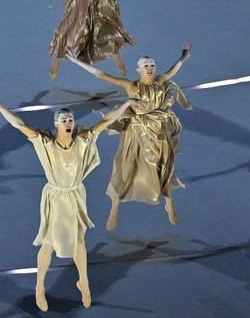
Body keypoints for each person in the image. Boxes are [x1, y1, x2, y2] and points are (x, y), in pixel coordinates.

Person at [0, 99, 134, 311]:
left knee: (79, 239)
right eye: (64, 120)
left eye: (70, 119)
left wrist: (127, 103)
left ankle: (84, 282)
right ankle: (39, 288)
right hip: (55, 197)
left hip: (75, 195)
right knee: (49, 242)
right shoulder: (45, 143)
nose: (68, 122)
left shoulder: (83, 140)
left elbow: (107, 120)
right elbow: (19, 124)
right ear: (56, 124)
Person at [67, 45, 193, 229]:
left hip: (158, 131)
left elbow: (173, 70)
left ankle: (170, 204)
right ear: (138, 70)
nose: (149, 68)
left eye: (152, 65)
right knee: (127, 169)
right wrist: (77, 61)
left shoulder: (160, 81)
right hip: (136, 133)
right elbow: (102, 74)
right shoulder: (131, 86)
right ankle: (114, 208)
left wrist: (183, 57)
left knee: (164, 167)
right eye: (145, 66)